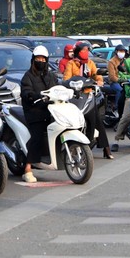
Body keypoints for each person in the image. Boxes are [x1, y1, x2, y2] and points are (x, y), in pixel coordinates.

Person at [64, 41, 113, 159]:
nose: (86, 53)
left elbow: (96, 75)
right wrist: (71, 84)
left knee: (96, 121)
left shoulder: (90, 63)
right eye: (83, 50)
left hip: (89, 96)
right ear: (77, 52)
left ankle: (106, 149)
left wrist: (99, 80)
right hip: (75, 96)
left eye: (87, 50)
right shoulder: (71, 64)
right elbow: (66, 79)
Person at [20, 46, 58, 183]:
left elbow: (58, 87)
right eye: (38, 59)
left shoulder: (51, 75)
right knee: (37, 136)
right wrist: (32, 95)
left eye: (43, 59)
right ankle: (28, 168)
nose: (40, 61)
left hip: (51, 109)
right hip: (34, 111)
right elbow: (26, 92)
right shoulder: (28, 76)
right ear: (33, 60)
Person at [106, 44, 127, 113]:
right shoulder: (111, 62)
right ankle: (116, 108)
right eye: (120, 51)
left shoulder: (126, 61)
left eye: (123, 51)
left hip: (126, 81)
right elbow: (112, 77)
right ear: (116, 52)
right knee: (120, 90)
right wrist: (120, 80)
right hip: (114, 82)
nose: (122, 53)